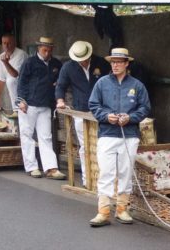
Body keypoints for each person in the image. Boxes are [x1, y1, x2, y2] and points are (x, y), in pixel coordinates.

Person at [88, 47, 151, 227]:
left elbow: (145, 108)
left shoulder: (137, 85)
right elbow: (93, 104)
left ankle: (122, 209)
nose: (115, 65)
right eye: (113, 62)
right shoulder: (102, 83)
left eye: (118, 62)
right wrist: (106, 116)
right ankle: (103, 211)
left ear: (126, 64)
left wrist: (131, 118)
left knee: (125, 171)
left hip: (129, 134)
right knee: (106, 171)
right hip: (107, 133)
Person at [55, 40, 111, 187]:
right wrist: (60, 101)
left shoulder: (101, 63)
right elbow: (60, 86)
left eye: (85, 58)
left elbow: (110, 83)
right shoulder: (68, 67)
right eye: (80, 59)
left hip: (102, 110)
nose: (83, 61)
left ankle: (104, 180)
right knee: (85, 146)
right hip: (81, 110)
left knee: (103, 145)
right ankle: (88, 181)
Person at [17, 36, 66, 180]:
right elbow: (22, 82)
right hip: (29, 104)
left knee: (46, 137)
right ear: (39, 48)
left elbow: (60, 82)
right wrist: (21, 100)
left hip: (45, 105)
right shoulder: (30, 62)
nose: (47, 51)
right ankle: (32, 167)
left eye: (50, 49)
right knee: (27, 135)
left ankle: (51, 168)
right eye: (45, 48)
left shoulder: (56, 64)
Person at [0, 33, 28, 112]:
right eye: (4, 43)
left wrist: (6, 63)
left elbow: (15, 74)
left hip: (24, 96)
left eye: (9, 43)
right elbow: (0, 79)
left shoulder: (21, 54)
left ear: (14, 43)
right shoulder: (1, 57)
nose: (6, 45)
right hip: (14, 96)